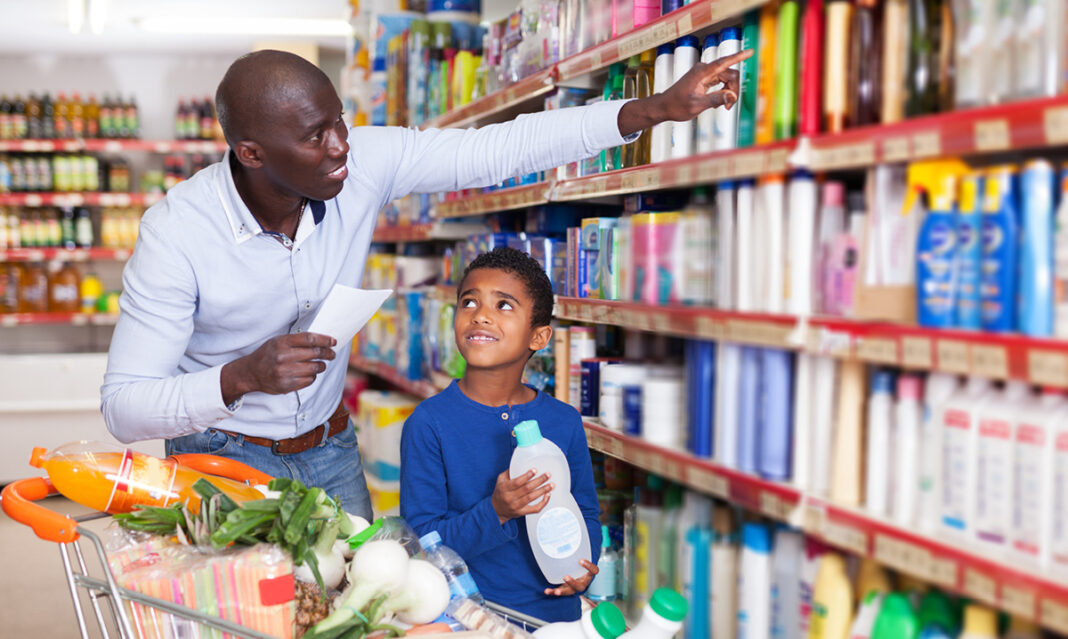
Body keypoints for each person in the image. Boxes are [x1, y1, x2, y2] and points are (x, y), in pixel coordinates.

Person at [101, 48, 749, 523]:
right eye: (315, 136)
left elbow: (494, 150)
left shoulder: (360, 161)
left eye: (340, 123)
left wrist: (654, 109)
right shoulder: (176, 233)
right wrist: (240, 376)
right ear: (251, 154)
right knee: (237, 617)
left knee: (358, 611)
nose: (340, 148)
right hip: (221, 460)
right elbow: (124, 407)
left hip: (328, 448)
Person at [400, 247, 602, 622]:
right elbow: (422, 547)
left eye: (504, 305)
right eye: (469, 302)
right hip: (470, 618)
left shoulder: (564, 422)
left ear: (539, 337)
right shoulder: (429, 423)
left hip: (555, 616)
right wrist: (496, 512)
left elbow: (586, 512)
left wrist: (583, 571)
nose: (481, 316)